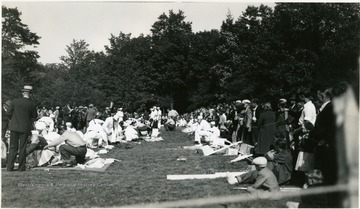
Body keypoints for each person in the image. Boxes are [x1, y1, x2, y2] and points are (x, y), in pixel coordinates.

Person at [6, 85, 38, 171]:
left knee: (13, 147)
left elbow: (8, 113)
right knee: (23, 148)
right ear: (30, 94)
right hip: (25, 128)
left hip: (14, 126)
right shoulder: (32, 103)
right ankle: (21, 167)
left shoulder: (15, 101)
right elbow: (34, 116)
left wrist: (13, 120)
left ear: (22, 93)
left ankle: (9, 167)